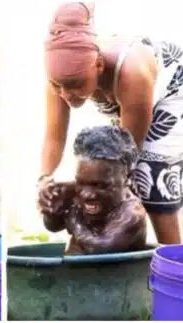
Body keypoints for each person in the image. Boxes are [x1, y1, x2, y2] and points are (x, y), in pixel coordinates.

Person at [39, 2, 183, 244]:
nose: (66, 94)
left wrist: (76, 187)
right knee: (100, 189)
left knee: (149, 177)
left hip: (172, 90)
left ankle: (174, 264)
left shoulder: (132, 72)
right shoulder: (61, 78)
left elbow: (126, 155)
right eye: (58, 86)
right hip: (127, 100)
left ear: (99, 66)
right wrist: (44, 181)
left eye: (76, 87)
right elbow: (54, 139)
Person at [39, 126, 147, 255]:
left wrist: (73, 219)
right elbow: (53, 227)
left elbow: (100, 249)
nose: (87, 194)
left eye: (101, 185)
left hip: (112, 275)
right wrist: (51, 208)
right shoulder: (77, 191)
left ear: (127, 177)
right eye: (80, 182)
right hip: (75, 273)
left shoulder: (131, 214)